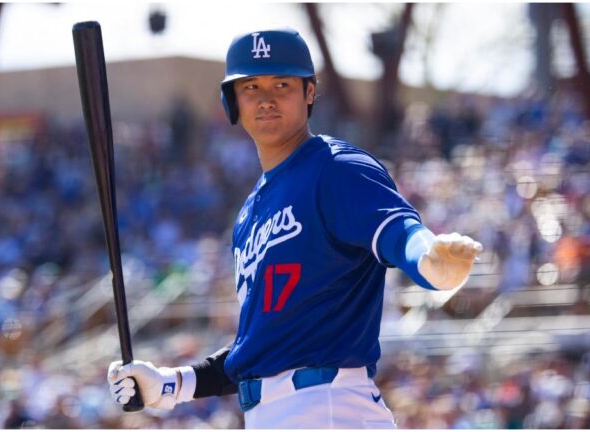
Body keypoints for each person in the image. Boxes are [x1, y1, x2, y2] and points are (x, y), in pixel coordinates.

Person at [107, 28, 482, 429]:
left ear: (309, 93)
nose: (266, 98)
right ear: (232, 101)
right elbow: (260, 348)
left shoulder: (335, 168)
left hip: (327, 405)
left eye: (281, 84)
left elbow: (400, 232)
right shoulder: (250, 213)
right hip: (275, 413)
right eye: (250, 86)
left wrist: (429, 259)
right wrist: (170, 384)